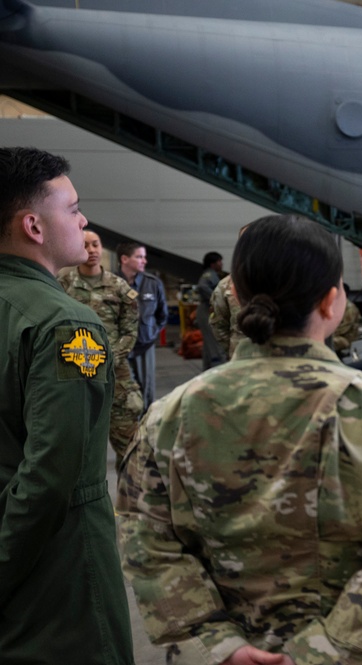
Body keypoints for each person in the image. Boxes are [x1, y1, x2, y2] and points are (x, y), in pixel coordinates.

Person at [117, 214, 362, 664]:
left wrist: (220, 646)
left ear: (235, 293)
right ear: (332, 302)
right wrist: (322, 652)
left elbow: (146, 542)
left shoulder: (169, 416)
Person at [0, 147, 133, 662]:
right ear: (34, 225)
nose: (82, 220)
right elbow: (54, 472)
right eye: (73, 208)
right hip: (53, 571)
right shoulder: (64, 323)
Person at [59, 230, 144, 462]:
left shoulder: (119, 287)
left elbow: (129, 331)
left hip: (116, 371)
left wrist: (108, 358)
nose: (92, 250)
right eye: (85, 245)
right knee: (74, 447)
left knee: (130, 445)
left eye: (96, 244)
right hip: (74, 372)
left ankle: (130, 496)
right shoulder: (62, 285)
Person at [117, 241, 168, 411]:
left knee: (146, 391)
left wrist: (151, 334)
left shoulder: (153, 283)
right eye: (139, 257)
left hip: (145, 346)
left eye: (144, 257)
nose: (144, 261)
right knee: (122, 393)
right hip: (119, 348)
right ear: (124, 259)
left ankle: (145, 431)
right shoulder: (112, 283)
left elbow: (162, 315)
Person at [196, 250, 225, 370]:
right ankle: (216, 369)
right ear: (213, 264)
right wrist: (216, 299)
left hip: (206, 311)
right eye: (219, 261)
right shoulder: (210, 274)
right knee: (215, 345)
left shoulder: (213, 274)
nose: (221, 264)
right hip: (207, 311)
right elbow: (202, 286)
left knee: (209, 347)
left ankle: (207, 371)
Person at [209, 272, 244, 360]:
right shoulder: (226, 284)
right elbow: (219, 325)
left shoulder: (281, 278)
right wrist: (232, 349)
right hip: (239, 358)